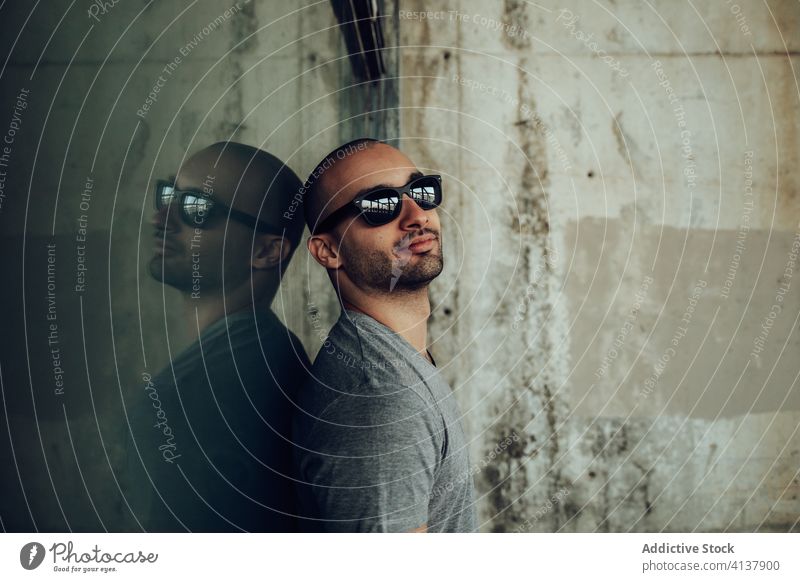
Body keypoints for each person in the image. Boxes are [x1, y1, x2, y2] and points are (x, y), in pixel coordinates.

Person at [293, 138, 477, 532]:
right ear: (327, 251)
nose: (416, 216)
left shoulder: (394, 360)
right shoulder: (379, 398)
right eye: (379, 205)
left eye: (421, 192)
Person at [124, 142, 310, 532]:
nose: (161, 218)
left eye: (197, 208)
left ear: (266, 251)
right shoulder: (266, 353)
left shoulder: (225, 385)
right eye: (168, 195)